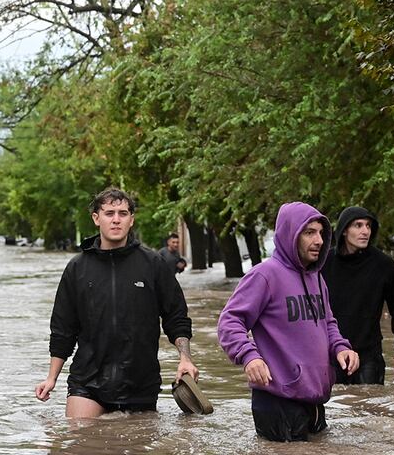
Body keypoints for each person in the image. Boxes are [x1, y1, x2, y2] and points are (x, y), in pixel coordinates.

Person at [34, 187, 199, 418]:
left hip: (141, 383)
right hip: (88, 382)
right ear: (96, 218)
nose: (116, 220)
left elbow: (176, 316)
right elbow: (63, 329)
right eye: (109, 213)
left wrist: (185, 359)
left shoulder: (153, 264)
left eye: (123, 213)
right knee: (79, 442)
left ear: (131, 220)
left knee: (137, 451)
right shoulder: (77, 268)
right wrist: (51, 378)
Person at [217, 202, 359, 441]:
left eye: (321, 233)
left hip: (314, 400)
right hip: (276, 401)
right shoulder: (264, 275)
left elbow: (328, 323)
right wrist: (249, 356)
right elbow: (229, 322)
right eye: (309, 233)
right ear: (289, 235)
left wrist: (341, 347)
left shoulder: (316, 278)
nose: (319, 241)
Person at [321, 206, 394, 384]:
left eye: (368, 226)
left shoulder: (384, 265)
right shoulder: (324, 263)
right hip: (331, 353)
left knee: (370, 407)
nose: (365, 231)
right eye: (358, 225)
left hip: (369, 356)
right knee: (334, 408)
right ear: (344, 230)